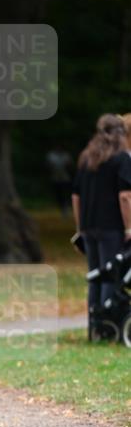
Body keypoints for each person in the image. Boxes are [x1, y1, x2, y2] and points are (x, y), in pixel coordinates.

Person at [72, 113, 131, 317]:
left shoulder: (87, 158)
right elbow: (125, 196)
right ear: (121, 134)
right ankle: (108, 322)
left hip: (89, 226)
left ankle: (94, 323)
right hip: (111, 226)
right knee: (110, 275)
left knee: (94, 275)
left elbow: (76, 196)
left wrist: (80, 228)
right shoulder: (121, 159)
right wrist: (129, 228)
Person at [45, 144, 73, 217]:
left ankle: (65, 207)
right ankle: (62, 207)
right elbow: (48, 166)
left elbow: (70, 166)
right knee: (58, 194)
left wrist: (67, 166)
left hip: (64, 177)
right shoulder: (51, 155)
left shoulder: (66, 155)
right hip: (55, 177)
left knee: (65, 193)